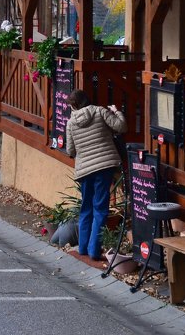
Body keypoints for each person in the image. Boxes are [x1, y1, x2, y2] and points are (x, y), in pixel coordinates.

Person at [64, 89, 126, 262]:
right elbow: (121, 127)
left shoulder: (70, 123)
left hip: (85, 170)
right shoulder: (100, 111)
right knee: (100, 208)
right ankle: (94, 249)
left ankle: (83, 247)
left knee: (86, 208)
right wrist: (116, 112)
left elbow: (70, 150)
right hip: (104, 166)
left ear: (73, 105)